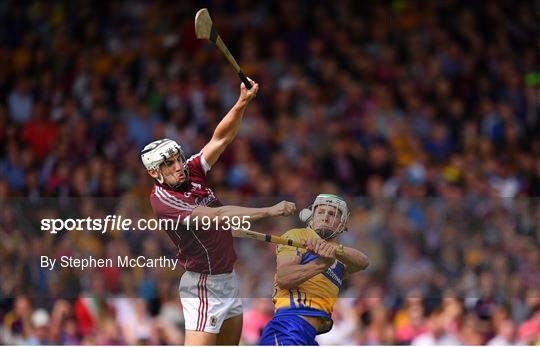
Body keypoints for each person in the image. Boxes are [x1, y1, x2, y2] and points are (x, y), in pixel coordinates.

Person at [141, 80, 297, 345]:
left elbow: (221, 138)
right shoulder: (164, 200)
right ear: (155, 172)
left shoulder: (191, 172)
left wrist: (242, 102)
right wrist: (269, 210)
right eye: (169, 164)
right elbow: (218, 215)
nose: (178, 166)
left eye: (178, 158)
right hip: (204, 286)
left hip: (227, 278)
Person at [259, 194, 369, 345]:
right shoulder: (297, 236)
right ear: (311, 217)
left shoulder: (338, 256)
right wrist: (321, 264)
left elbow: (363, 262)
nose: (325, 218)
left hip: (308, 335)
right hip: (289, 326)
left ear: (343, 224)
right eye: (320, 212)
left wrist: (333, 249)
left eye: (332, 214)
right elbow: (284, 278)